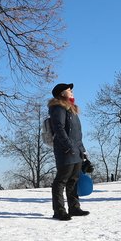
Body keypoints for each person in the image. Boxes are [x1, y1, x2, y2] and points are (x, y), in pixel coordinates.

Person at [48, 83, 89, 220]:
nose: (71, 92)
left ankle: (74, 207)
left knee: (73, 180)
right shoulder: (58, 107)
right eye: (68, 90)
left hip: (76, 150)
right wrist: (68, 146)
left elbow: (78, 133)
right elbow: (58, 128)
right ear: (61, 93)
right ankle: (59, 210)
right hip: (65, 150)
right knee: (61, 180)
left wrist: (82, 150)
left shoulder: (72, 109)